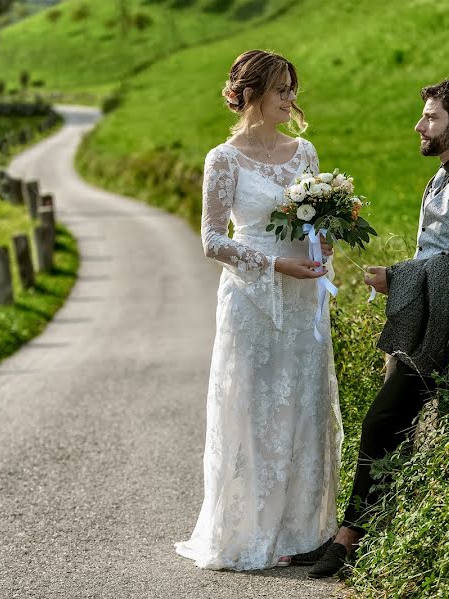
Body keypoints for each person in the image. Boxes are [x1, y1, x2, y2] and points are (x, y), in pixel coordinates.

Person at [305, 76, 449, 578]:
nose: (420, 125)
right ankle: (353, 533)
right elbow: (435, 257)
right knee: (383, 422)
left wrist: (397, 278)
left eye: (432, 117)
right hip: (429, 317)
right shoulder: (444, 176)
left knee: (378, 421)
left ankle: (350, 540)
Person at [175, 49, 343, 571]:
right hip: (252, 299)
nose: (292, 99)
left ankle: (303, 530)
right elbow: (210, 240)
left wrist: (324, 243)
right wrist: (273, 265)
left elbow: (315, 224)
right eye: (282, 90)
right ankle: (247, 530)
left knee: (304, 407)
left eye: (293, 89)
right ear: (251, 95)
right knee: (252, 407)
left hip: (303, 300)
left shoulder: (305, 152)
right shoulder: (222, 160)